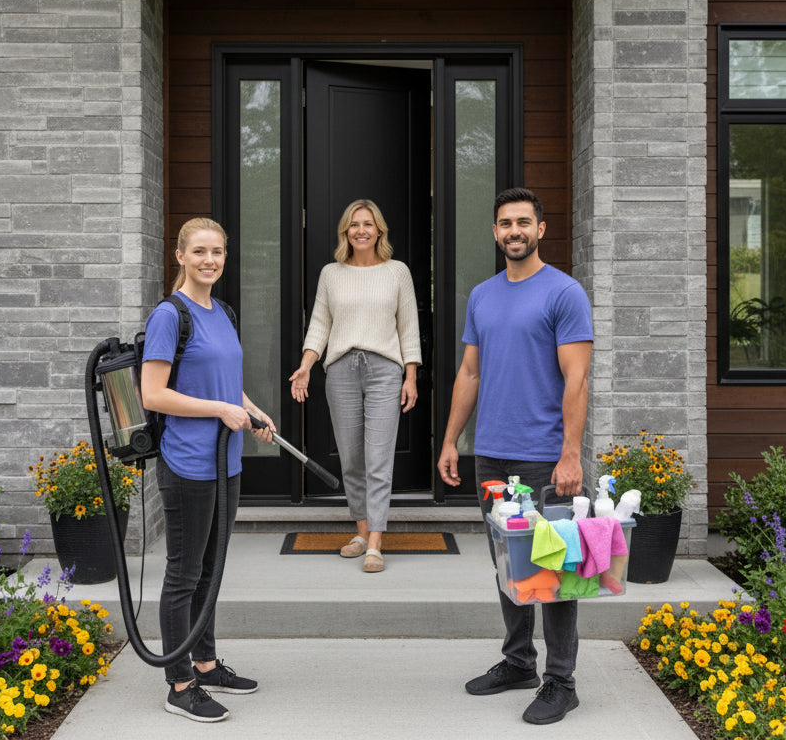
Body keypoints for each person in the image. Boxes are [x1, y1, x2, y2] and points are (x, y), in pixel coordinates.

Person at [436, 187, 593, 726]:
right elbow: (470, 372)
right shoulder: (482, 295)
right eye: (505, 223)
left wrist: (570, 455)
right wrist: (451, 439)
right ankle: (518, 662)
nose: (514, 231)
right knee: (509, 565)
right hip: (493, 455)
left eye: (523, 222)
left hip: (545, 458)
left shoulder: (564, 293)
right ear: (495, 232)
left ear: (540, 229)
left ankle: (561, 681)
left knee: (554, 572)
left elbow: (578, 378)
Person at [141, 217, 276, 723]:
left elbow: (225, 385)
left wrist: (251, 409)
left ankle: (207, 662)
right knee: (184, 573)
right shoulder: (169, 315)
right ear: (180, 256)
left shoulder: (221, 311)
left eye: (217, 252)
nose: (210, 260)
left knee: (210, 572)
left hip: (226, 462)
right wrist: (222, 412)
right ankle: (179, 684)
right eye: (199, 251)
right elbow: (153, 393)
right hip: (189, 464)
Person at [288, 198, 421, 573]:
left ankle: (376, 543)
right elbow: (319, 325)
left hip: (384, 370)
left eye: (368, 223)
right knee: (351, 459)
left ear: (379, 230)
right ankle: (362, 531)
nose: (361, 230)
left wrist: (410, 376)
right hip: (342, 370)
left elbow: (408, 328)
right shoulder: (332, 273)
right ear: (345, 231)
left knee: (378, 459)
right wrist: (305, 365)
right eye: (353, 224)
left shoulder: (398, 272)